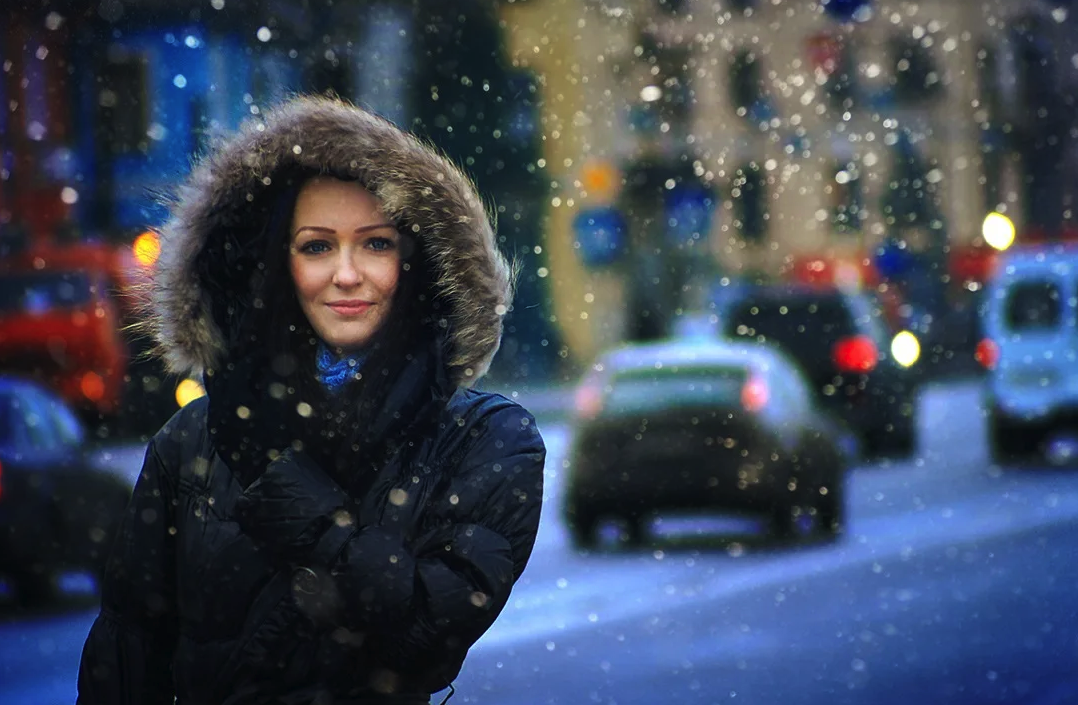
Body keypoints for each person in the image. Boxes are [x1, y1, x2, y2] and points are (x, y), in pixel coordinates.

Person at [77, 94, 547, 705]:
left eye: (376, 244)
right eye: (317, 246)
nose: (346, 274)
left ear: (416, 262)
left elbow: (424, 637)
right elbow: (130, 644)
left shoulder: (486, 438)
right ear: (276, 263)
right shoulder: (194, 439)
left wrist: (291, 497)